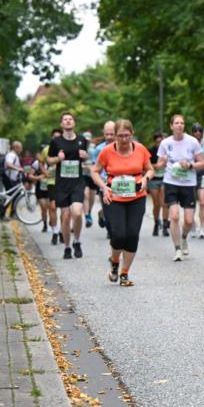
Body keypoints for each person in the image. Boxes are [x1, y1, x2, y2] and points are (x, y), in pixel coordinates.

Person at [91, 119, 154, 286]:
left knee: (132, 235)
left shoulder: (140, 149)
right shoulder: (106, 151)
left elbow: (150, 169)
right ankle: (114, 261)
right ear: (115, 136)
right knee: (118, 235)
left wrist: (146, 178)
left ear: (132, 134)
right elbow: (95, 171)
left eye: (127, 136)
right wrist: (104, 187)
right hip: (114, 197)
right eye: (120, 136)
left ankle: (124, 273)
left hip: (137, 196)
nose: (124, 140)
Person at [156, 114, 204, 261]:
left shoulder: (192, 141)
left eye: (182, 123)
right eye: (177, 123)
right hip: (171, 182)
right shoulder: (165, 143)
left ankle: (183, 238)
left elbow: (202, 163)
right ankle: (177, 249)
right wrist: (161, 162)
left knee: (189, 221)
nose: (180, 125)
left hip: (188, 184)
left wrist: (190, 165)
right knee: (175, 216)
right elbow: (159, 165)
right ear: (171, 126)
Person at [47, 112, 89, 259]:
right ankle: (67, 247)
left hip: (77, 182)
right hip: (62, 184)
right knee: (65, 216)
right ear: (61, 124)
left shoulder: (82, 140)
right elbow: (49, 160)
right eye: (65, 119)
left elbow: (85, 158)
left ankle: (77, 241)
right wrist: (57, 159)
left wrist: (85, 156)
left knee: (77, 213)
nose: (68, 121)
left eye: (70, 119)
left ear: (74, 123)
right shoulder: (56, 142)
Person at [86, 122, 114, 229]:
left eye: (112, 134)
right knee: (108, 207)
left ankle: (102, 215)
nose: (109, 137)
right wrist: (95, 178)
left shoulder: (123, 147)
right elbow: (94, 167)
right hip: (104, 183)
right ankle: (110, 229)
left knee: (116, 207)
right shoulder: (99, 149)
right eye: (107, 134)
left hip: (119, 183)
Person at [37, 138, 60, 242]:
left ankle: (62, 231)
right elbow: (40, 162)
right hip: (51, 182)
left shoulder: (67, 148)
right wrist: (44, 172)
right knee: (52, 207)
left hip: (65, 182)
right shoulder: (46, 150)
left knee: (65, 210)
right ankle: (54, 231)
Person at [190, 123, 204, 238]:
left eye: (199, 131)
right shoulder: (189, 144)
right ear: (192, 132)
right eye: (195, 131)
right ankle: (192, 224)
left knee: (202, 201)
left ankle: (202, 228)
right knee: (191, 202)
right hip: (191, 174)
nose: (198, 133)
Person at [146, 131, 167, 236]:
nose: (160, 144)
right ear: (155, 142)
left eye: (161, 141)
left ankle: (165, 225)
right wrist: (156, 166)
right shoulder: (150, 151)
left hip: (165, 179)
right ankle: (156, 222)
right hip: (154, 179)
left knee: (164, 203)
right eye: (158, 142)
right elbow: (146, 166)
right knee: (156, 204)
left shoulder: (167, 151)